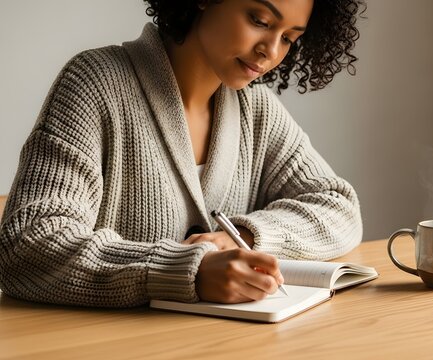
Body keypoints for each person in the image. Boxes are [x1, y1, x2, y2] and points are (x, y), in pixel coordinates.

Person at [0, 0, 365, 307]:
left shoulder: (256, 110)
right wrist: (184, 270)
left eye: (288, 38)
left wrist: (245, 234)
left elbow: (339, 207)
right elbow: (28, 244)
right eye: (259, 20)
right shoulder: (95, 83)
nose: (270, 51)